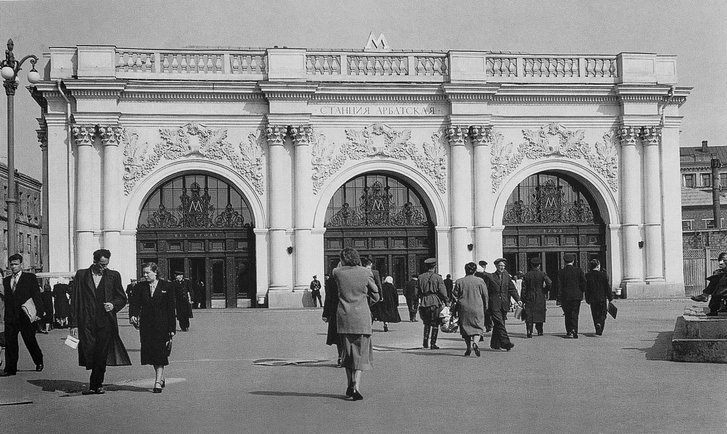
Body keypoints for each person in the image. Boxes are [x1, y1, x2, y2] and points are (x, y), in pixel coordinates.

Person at [69, 249, 131, 394]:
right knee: (90, 350)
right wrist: (73, 324)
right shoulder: (81, 275)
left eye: (106, 264)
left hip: (106, 322)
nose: (104, 267)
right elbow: (75, 299)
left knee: (102, 353)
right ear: (95, 261)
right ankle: (95, 381)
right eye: (102, 264)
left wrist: (113, 305)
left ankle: (96, 384)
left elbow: (122, 297)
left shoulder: (113, 276)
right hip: (86, 321)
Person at [333, 247, 380, 401]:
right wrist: (366, 304)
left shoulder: (337, 273)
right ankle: (356, 385)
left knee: (347, 352)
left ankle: (349, 383)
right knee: (361, 353)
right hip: (362, 317)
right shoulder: (366, 273)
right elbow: (376, 294)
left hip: (344, 316)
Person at [129, 263, 176, 393]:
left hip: (162, 326)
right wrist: (133, 315)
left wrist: (172, 328)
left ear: (155, 272)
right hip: (146, 326)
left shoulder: (167, 286)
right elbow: (135, 304)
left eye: (147, 273)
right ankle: (161, 376)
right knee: (152, 353)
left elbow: (171, 308)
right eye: (143, 273)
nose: (144, 275)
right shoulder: (140, 287)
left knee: (160, 352)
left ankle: (157, 382)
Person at [1, 254, 44, 376]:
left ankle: (38, 360)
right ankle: (10, 368)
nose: (13, 267)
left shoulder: (29, 278)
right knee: (10, 343)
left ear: (21, 265)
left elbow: (36, 295)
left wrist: (39, 313)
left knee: (30, 340)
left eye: (16, 264)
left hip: (26, 316)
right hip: (10, 317)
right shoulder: (6, 280)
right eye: (12, 264)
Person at [483, 258, 521, 351]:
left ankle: (495, 344)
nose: (502, 267)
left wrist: (518, 299)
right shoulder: (491, 277)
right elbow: (486, 292)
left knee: (499, 323)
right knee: (499, 322)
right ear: (496, 266)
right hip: (494, 303)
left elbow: (511, 289)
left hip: (504, 303)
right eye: (500, 266)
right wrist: (486, 304)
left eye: (503, 266)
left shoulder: (506, 276)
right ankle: (505, 342)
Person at [453, 262, 489, 357]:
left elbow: (454, 295)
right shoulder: (480, 281)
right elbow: (485, 295)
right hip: (477, 307)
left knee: (465, 328)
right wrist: (486, 307)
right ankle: (476, 343)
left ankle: (468, 348)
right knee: (478, 327)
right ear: (475, 270)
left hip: (464, 308)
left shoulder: (459, 281)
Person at [417, 258, 447, 350]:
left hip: (424, 301)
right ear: (434, 267)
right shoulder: (438, 277)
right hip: (434, 301)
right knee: (435, 323)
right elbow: (443, 291)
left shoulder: (420, 277)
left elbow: (416, 291)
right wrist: (446, 301)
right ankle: (433, 343)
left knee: (426, 323)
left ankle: (425, 342)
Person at [557, 253, 586, 339]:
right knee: (575, 313)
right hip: (576, 296)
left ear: (564, 262)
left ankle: (569, 330)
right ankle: (574, 329)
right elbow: (583, 282)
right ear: (573, 261)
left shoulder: (561, 272)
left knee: (567, 313)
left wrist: (559, 296)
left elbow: (559, 285)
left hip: (565, 296)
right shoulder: (579, 270)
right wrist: (581, 291)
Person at [521, 258, 552, 338]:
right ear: (539, 265)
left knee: (529, 314)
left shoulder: (527, 275)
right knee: (539, 312)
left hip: (529, 296)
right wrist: (545, 291)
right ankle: (540, 330)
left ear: (531, 265)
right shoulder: (542, 274)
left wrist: (522, 299)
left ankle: (529, 331)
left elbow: (523, 288)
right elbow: (549, 282)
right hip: (540, 296)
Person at [585, 259, 613, 336]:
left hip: (592, 299)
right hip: (602, 298)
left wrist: (587, 298)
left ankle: (597, 326)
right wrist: (610, 297)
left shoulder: (587, 275)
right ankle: (600, 324)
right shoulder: (603, 275)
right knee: (603, 313)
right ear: (598, 266)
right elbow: (607, 287)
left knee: (594, 313)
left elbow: (586, 288)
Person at [322, 269, 343, 367]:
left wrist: (326, 314)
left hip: (335, 311)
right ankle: (348, 357)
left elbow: (328, 298)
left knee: (339, 336)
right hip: (352, 310)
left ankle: (341, 357)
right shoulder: (354, 277)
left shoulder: (331, 280)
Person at [475, 260, 493, 333]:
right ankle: (488, 325)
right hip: (486, 296)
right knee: (487, 312)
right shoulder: (488, 275)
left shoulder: (474, 275)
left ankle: (480, 329)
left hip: (477, 298)